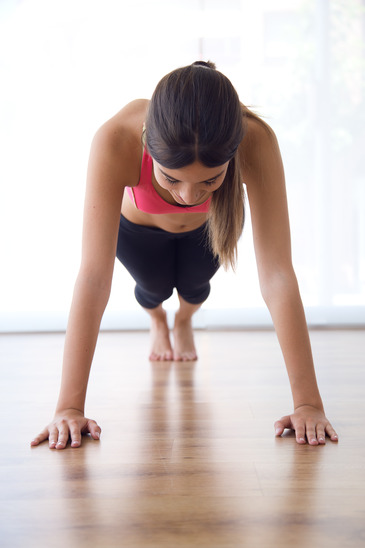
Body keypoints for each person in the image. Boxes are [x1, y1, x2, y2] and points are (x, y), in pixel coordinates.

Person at [30, 61, 338, 450]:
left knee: (195, 288)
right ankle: (158, 319)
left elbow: (277, 274)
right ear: (147, 141)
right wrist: (68, 408)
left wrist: (308, 403)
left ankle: (183, 321)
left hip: (208, 231)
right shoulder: (116, 139)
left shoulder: (256, 140)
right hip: (139, 232)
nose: (188, 197)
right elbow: (93, 277)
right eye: (171, 178)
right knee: (153, 287)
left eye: (210, 180)